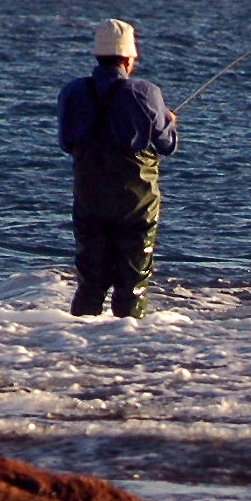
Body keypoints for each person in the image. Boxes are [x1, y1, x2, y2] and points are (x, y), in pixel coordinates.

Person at [56, 20, 179, 318]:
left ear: (97, 55)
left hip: (89, 201)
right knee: (132, 284)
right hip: (136, 206)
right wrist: (168, 120)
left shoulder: (72, 92)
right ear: (128, 58)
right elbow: (167, 145)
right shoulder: (145, 92)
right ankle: (126, 348)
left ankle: (73, 344)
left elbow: (66, 142)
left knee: (90, 284)